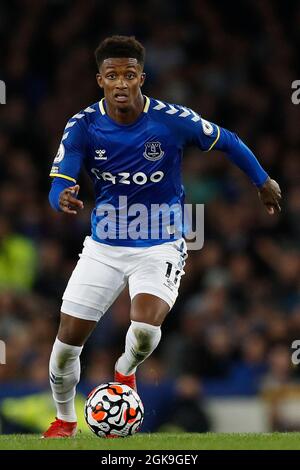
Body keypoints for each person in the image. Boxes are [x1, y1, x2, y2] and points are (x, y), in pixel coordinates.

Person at [43, 35, 281, 438]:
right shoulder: (82, 125)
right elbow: (59, 180)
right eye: (112, 75)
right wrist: (60, 198)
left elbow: (229, 141)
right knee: (65, 346)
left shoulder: (172, 120)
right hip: (104, 246)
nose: (121, 83)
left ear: (141, 79)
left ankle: (125, 372)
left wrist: (263, 180)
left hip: (161, 242)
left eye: (129, 75)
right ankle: (66, 421)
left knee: (144, 331)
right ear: (100, 80)